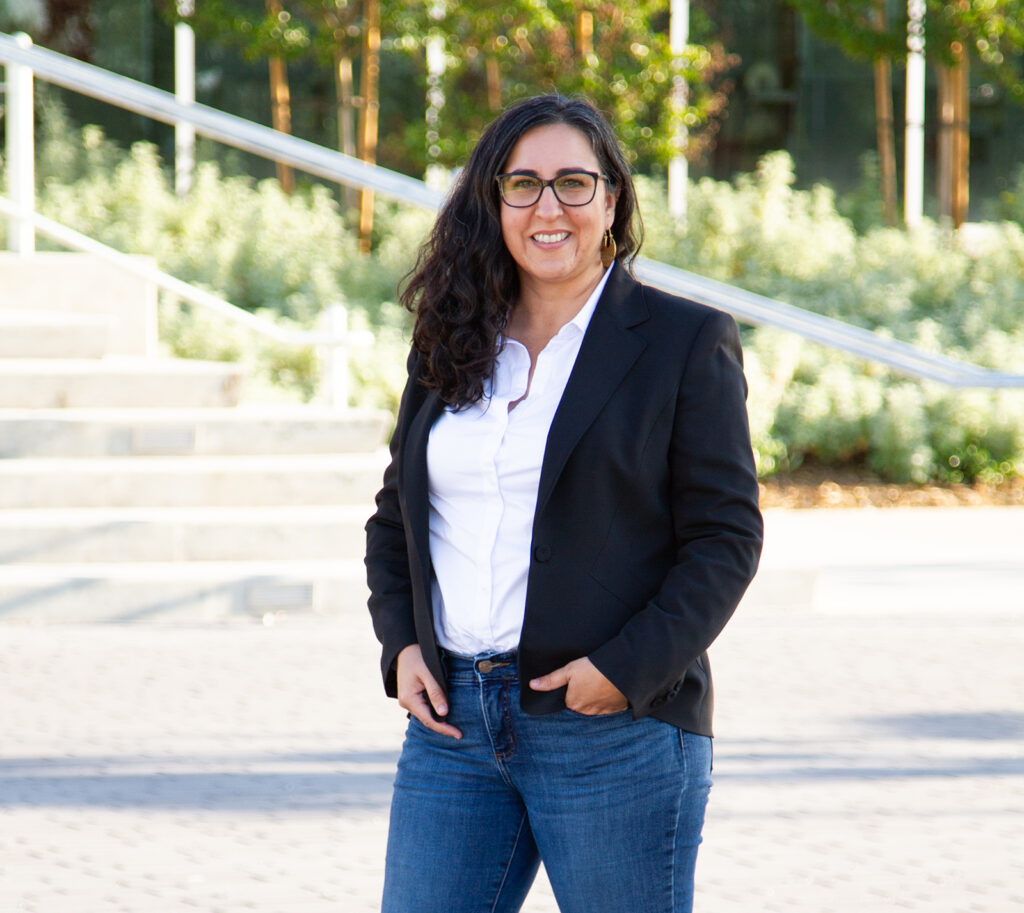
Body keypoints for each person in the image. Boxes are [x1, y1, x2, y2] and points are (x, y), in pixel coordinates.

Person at [365, 94, 763, 913]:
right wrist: (402, 640)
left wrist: (623, 670)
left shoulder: (684, 341)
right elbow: (395, 514)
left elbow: (726, 536)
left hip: (611, 729)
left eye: (574, 183)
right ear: (495, 201)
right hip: (452, 727)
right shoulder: (451, 336)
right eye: (524, 184)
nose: (549, 207)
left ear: (612, 200)